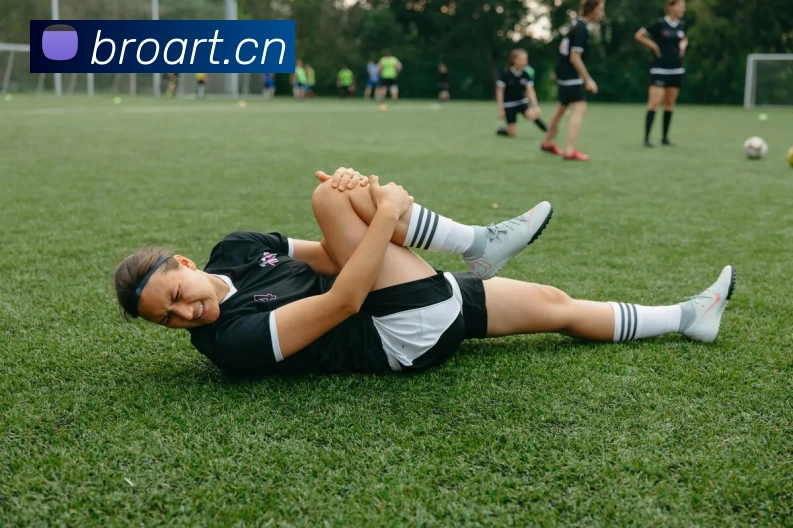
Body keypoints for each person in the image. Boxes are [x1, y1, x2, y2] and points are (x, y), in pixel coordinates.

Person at [114, 168, 736, 378]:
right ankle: (474, 242)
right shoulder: (228, 344)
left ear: (186, 264)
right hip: (395, 335)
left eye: (177, 295)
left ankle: (689, 317)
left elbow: (336, 258)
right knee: (332, 198)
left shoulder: (239, 248)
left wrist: (368, 211)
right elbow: (344, 299)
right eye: (168, 320)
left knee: (554, 301)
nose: (185, 314)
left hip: (402, 296)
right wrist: (380, 209)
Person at [540, 0, 605, 161]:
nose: (602, 13)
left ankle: (548, 142)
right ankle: (569, 150)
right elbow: (575, 57)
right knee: (580, 107)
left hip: (563, 74)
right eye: (601, 9)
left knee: (561, 108)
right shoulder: (581, 29)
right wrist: (588, 80)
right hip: (571, 76)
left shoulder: (575, 24)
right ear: (593, 10)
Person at [635, 0, 689, 147]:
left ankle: (665, 138)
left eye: (683, 7)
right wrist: (653, 45)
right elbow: (639, 35)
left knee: (670, 104)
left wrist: (683, 45)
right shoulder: (659, 24)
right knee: (653, 104)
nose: (682, 9)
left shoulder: (682, 25)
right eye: (680, 6)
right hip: (660, 68)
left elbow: (684, 38)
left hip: (676, 69)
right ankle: (646, 138)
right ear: (670, 7)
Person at [496, 49, 547, 138]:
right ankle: (503, 130)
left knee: (532, 115)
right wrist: (501, 109)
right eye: (522, 59)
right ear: (514, 60)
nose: (525, 62)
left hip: (522, 102)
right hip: (509, 104)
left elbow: (530, 90)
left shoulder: (526, 74)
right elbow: (500, 91)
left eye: (525, 59)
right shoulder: (506, 74)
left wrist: (535, 106)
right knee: (512, 134)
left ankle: (549, 132)